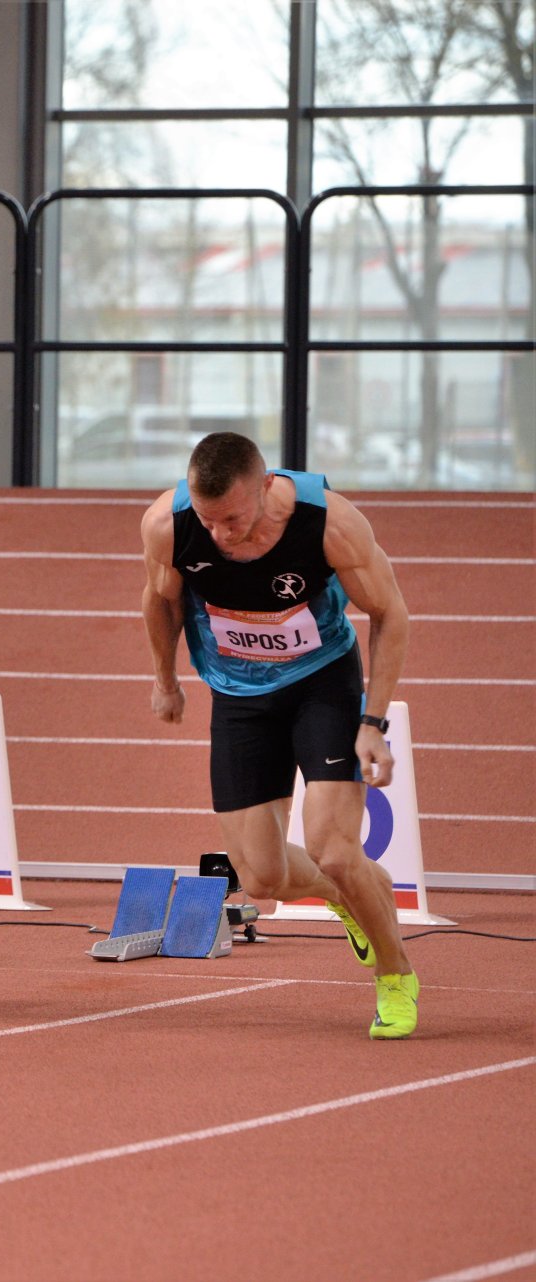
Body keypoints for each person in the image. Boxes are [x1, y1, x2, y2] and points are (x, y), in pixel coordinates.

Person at [141, 432, 418, 1038]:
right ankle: (347, 897)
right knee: (261, 878)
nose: (219, 534)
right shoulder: (168, 525)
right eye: (208, 520)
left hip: (321, 684)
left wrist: (373, 723)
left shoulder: (328, 522)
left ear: (266, 488)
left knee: (337, 850)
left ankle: (394, 975)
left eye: (233, 519)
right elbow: (159, 600)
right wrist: (166, 680)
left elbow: (391, 613)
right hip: (238, 695)